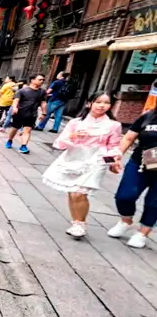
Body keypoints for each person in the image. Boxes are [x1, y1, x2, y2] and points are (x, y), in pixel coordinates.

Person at [40, 92, 122, 240]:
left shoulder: (114, 125)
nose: (102, 106)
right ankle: (76, 222)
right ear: (89, 103)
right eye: (98, 102)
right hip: (74, 157)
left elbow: (113, 147)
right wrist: (74, 136)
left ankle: (80, 224)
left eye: (106, 103)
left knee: (79, 192)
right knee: (72, 192)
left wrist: (113, 162)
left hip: (96, 160)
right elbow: (59, 143)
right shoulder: (76, 123)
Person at [108, 108, 157, 248]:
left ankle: (143, 233)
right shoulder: (148, 116)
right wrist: (117, 156)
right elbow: (129, 137)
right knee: (124, 196)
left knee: (154, 203)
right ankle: (126, 220)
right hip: (139, 162)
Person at [6, 74, 47, 154]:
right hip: (20, 113)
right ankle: (10, 140)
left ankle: (23, 146)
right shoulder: (22, 91)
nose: (42, 81)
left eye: (43, 80)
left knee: (27, 130)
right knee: (15, 128)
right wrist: (14, 107)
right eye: (40, 79)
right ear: (32, 80)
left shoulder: (42, 92)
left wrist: (44, 113)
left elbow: (43, 103)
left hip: (32, 114)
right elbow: (16, 100)